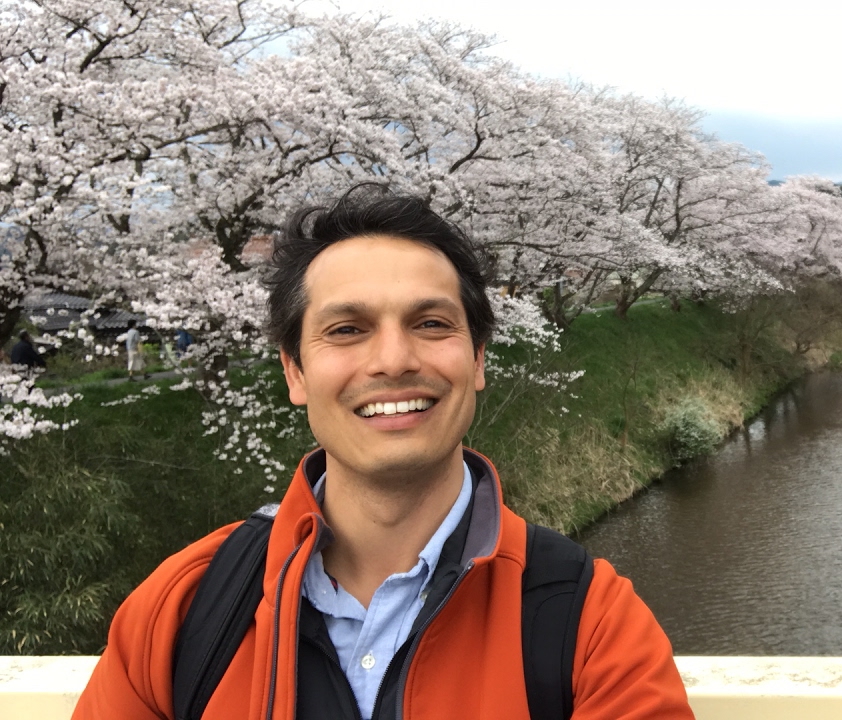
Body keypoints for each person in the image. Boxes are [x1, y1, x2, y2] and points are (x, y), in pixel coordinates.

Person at [73, 186, 694, 720]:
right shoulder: (182, 609)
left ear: (477, 360)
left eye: (431, 324)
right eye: (347, 330)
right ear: (295, 371)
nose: (394, 360)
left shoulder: (589, 622)